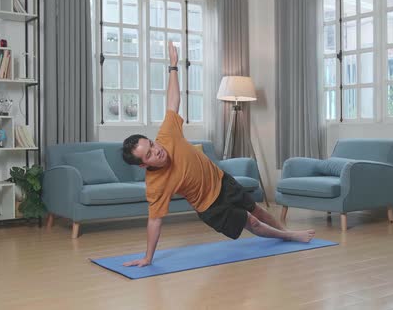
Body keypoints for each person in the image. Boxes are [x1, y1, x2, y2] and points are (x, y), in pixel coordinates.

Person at [121, 42, 315, 267]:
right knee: (252, 222)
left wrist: (173, 66)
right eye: (149, 155)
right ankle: (290, 237)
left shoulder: (167, 135)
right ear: (144, 166)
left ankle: (285, 232)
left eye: (152, 144)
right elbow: (154, 220)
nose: (158, 150)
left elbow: (173, 102)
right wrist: (147, 257)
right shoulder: (156, 185)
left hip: (222, 181)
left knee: (257, 210)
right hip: (211, 206)